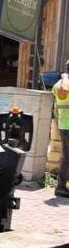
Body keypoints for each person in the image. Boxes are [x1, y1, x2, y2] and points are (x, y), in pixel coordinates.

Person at [54, 60, 69, 198]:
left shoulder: (58, 84)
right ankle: (61, 187)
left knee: (66, 156)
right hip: (67, 125)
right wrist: (65, 77)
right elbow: (64, 91)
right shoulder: (64, 84)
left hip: (64, 124)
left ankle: (61, 185)